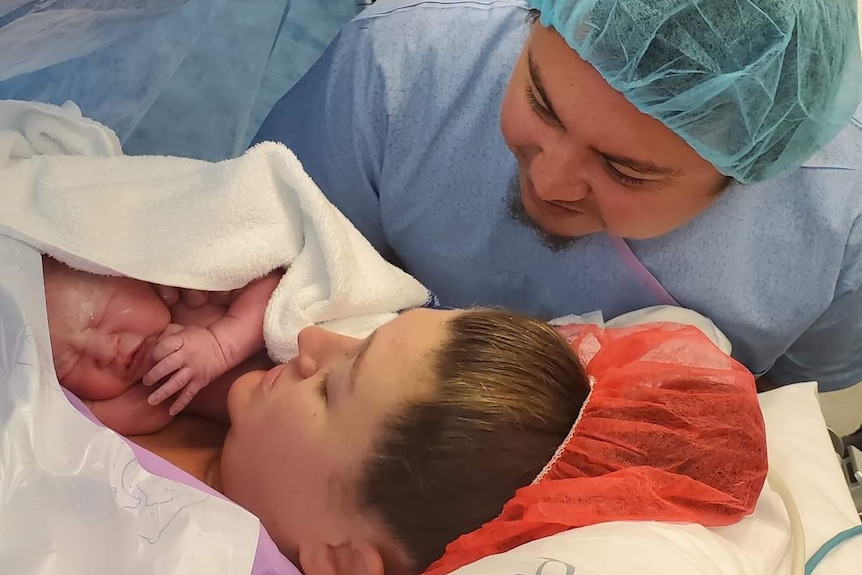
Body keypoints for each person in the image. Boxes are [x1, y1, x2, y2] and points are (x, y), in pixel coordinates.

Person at [252, 0, 862, 396]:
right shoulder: (405, 64)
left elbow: (789, 418)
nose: (549, 183)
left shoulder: (840, 227)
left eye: (623, 169)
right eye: (540, 104)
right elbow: (260, 260)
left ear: (755, 166)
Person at [125, 307, 592, 575]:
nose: (310, 338)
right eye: (361, 338)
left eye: (329, 390)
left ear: (341, 560)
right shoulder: (237, 426)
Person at [42, 256, 281, 433]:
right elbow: (70, 421)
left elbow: (272, 287)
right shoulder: (146, 394)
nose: (104, 352)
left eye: (99, 317)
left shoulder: (193, 290)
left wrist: (218, 346)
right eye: (68, 365)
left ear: (127, 274)